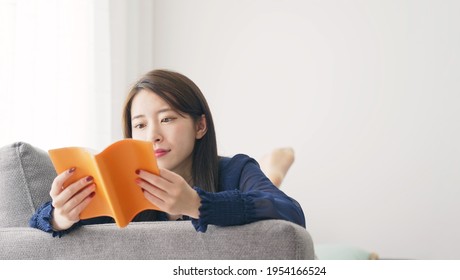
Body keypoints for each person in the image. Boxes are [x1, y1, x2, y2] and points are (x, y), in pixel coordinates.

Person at [29, 69, 305, 236]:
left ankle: (274, 167)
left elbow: (291, 213)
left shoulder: (236, 170)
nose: (153, 136)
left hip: (234, 183)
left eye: (167, 119)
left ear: (200, 125)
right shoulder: (120, 186)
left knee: (268, 182)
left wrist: (196, 204)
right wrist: (60, 217)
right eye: (140, 125)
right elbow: (35, 226)